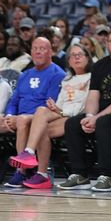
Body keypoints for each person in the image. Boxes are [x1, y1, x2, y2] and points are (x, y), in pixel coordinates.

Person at [59, 28, 111, 192]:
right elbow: (93, 96)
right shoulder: (100, 65)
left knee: (104, 122)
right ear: (107, 44)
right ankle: (79, 174)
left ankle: (108, 175)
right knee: (72, 123)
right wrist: (90, 115)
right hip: (100, 114)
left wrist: (96, 118)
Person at [7, 44, 92, 189]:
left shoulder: (92, 77)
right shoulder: (67, 79)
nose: (76, 58)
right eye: (73, 55)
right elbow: (60, 104)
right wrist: (55, 107)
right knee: (41, 111)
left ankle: (38, 169)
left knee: (40, 128)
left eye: (80, 54)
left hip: (78, 115)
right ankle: (32, 160)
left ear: (88, 58)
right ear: (69, 61)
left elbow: (86, 104)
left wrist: (61, 112)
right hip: (63, 112)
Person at [1, 37, 66, 187]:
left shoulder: (57, 74)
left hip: (39, 117)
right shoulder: (25, 74)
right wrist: (10, 116)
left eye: (42, 48)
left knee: (23, 120)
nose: (38, 51)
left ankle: (21, 172)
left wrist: (19, 118)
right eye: (35, 48)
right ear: (30, 52)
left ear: (50, 52)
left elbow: (51, 105)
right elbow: (13, 101)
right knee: (4, 120)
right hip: (18, 117)